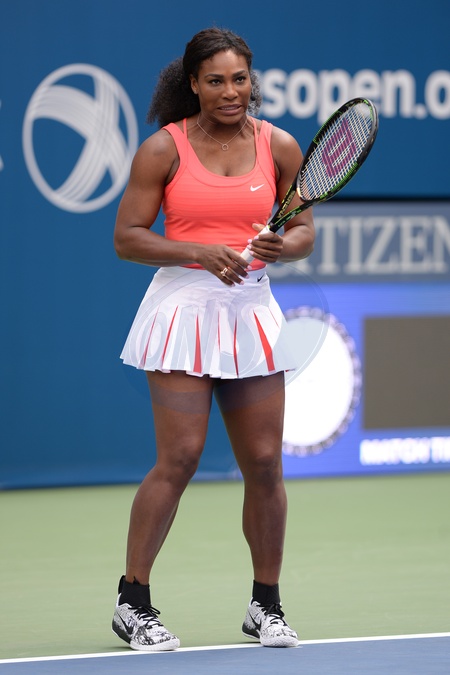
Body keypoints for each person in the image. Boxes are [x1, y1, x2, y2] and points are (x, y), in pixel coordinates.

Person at [111, 26, 315, 652]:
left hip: (251, 312)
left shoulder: (280, 146)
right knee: (180, 457)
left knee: (265, 462)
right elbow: (127, 237)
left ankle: (266, 605)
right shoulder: (162, 150)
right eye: (216, 81)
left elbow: (304, 231)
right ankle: (132, 601)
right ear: (193, 84)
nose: (231, 91)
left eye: (240, 79)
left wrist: (284, 246)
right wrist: (196, 250)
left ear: (253, 81)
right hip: (183, 313)